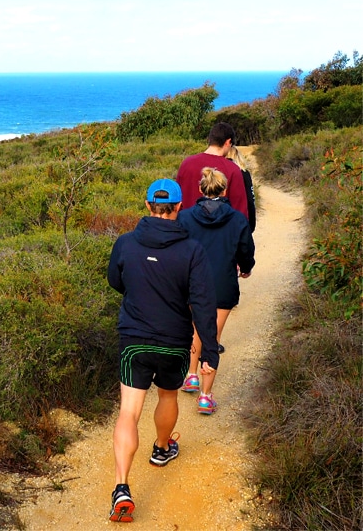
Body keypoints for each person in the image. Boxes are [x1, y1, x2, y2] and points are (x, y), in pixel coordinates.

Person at [106, 178, 220, 523]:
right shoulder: (192, 250)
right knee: (168, 397)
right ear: (179, 207)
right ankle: (161, 449)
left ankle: (121, 487)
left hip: (134, 340)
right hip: (174, 342)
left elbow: (115, 281)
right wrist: (209, 354)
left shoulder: (125, 244)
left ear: (147, 206)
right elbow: (203, 304)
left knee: (129, 412)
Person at [178, 167, 255, 414]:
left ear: (200, 189)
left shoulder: (185, 217)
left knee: (194, 330)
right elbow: (245, 250)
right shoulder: (237, 219)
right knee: (213, 337)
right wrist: (246, 268)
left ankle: (191, 375)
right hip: (222, 284)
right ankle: (205, 396)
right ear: (225, 190)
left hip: (192, 283)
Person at [176, 122, 249, 220]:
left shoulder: (186, 164)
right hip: (221, 232)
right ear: (228, 142)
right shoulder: (232, 169)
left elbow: (177, 201)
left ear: (210, 140)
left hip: (187, 229)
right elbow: (240, 212)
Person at [227, 144, 256, 234]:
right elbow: (250, 199)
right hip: (240, 219)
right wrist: (251, 223)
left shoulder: (219, 173)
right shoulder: (244, 173)